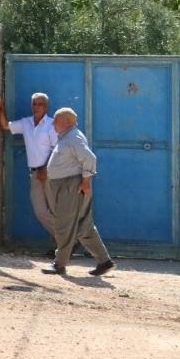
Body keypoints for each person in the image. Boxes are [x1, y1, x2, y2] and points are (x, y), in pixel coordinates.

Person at [41, 107, 115, 278]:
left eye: (56, 120)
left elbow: (89, 158)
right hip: (67, 185)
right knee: (84, 227)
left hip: (71, 186)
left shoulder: (73, 137)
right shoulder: (67, 137)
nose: (52, 123)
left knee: (63, 225)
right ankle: (105, 262)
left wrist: (85, 181)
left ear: (67, 122)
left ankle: (59, 265)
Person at [0, 91, 59, 251]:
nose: (37, 107)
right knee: (40, 211)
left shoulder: (51, 125)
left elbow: (57, 149)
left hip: (50, 173)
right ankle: (66, 238)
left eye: (40, 104)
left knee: (55, 209)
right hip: (35, 174)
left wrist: (45, 168)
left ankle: (61, 246)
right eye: (34, 104)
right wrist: (1, 108)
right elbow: (5, 126)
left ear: (46, 107)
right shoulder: (26, 123)